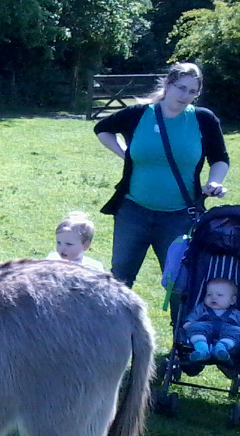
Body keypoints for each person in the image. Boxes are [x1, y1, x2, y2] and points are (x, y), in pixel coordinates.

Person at [95, 62, 229, 288]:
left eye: (192, 91)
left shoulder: (203, 119)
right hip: (132, 213)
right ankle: (118, 324)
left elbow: (220, 158)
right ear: (168, 84)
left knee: (179, 283)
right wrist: (126, 154)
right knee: (119, 280)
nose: (185, 95)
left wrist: (214, 181)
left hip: (179, 217)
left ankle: (180, 325)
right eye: (180, 87)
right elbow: (102, 129)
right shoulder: (139, 115)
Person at [182, 278, 240, 362]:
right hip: (205, 326)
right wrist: (188, 323)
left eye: (219, 295)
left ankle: (222, 348)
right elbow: (193, 316)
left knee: (237, 332)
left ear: (232, 300)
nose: (213, 297)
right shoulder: (201, 308)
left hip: (228, 328)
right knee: (195, 327)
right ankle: (202, 349)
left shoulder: (236, 312)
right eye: (209, 295)